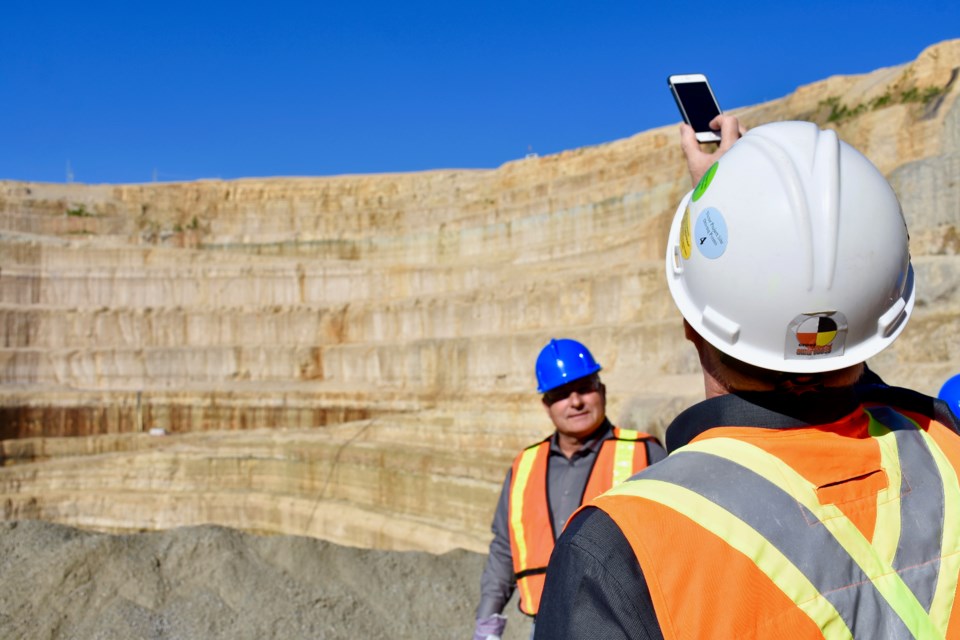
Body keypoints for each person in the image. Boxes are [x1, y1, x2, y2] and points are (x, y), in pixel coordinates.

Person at [534, 116, 960, 639]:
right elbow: (838, 343)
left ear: (691, 324)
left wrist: (725, 214)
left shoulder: (620, 548)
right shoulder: (947, 451)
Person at [473, 338, 666, 640]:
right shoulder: (525, 465)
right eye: (562, 394)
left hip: (621, 627)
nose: (576, 402)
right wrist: (487, 622)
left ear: (601, 390)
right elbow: (504, 548)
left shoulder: (646, 454)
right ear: (547, 405)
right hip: (546, 625)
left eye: (585, 388)